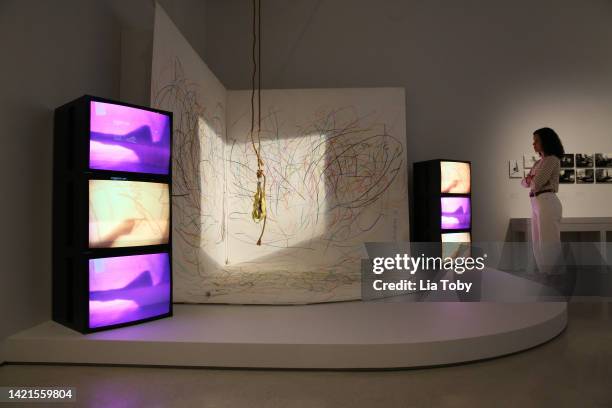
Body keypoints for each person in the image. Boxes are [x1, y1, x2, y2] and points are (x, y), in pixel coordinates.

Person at [521, 127, 564, 274]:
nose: (534, 144)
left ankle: (553, 274)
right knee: (537, 241)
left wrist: (531, 179)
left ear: (546, 141)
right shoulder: (538, 163)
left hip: (547, 200)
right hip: (536, 202)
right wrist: (530, 179)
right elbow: (524, 183)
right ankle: (545, 273)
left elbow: (536, 182)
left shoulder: (552, 160)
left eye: (537, 141)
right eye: (533, 141)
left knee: (549, 240)